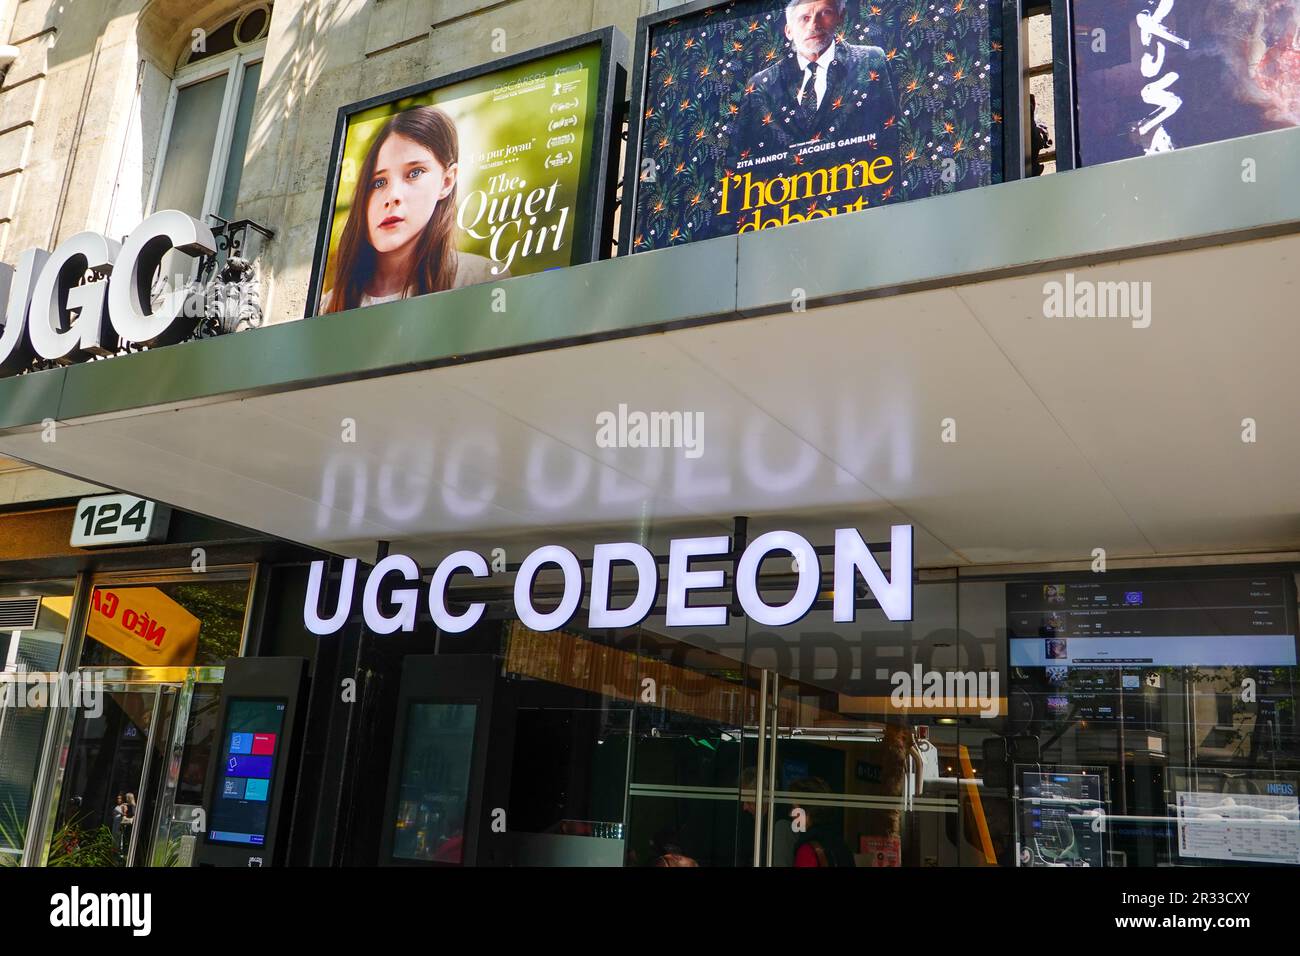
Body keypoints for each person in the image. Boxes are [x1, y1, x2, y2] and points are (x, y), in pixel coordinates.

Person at [322, 106, 503, 313]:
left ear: (446, 181)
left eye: (414, 173)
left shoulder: (481, 278)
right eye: (379, 182)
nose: (393, 196)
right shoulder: (330, 306)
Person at [726, 0, 900, 180]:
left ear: (840, 18)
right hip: (782, 198)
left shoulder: (870, 60)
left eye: (825, 13)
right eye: (804, 18)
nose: (814, 25)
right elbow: (737, 161)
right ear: (789, 31)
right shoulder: (761, 84)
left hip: (861, 190)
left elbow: (892, 135)